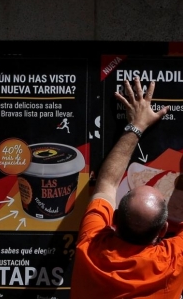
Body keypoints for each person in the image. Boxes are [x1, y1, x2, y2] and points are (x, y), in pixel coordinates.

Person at [70, 77, 183, 298]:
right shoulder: (172, 261)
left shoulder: (91, 248)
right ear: (162, 231)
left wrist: (136, 125)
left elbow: (107, 183)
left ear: (114, 219)